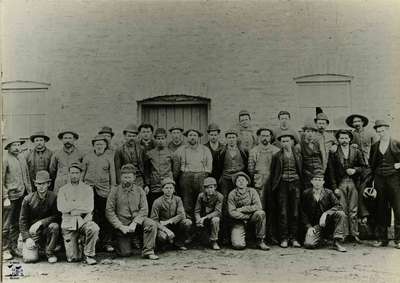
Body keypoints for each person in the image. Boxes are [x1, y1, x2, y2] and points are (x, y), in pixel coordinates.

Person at [106, 164, 159, 260]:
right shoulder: (114, 191)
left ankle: (148, 251)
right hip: (123, 225)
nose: (127, 180)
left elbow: (144, 210)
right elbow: (109, 211)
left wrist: (135, 223)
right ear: (121, 177)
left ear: (134, 178)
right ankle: (120, 242)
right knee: (125, 253)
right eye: (125, 177)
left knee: (151, 224)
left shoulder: (140, 191)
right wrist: (120, 226)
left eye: (129, 177)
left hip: (137, 223)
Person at [328, 129, 366, 243]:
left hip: (353, 182)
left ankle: (354, 234)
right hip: (341, 183)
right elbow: (331, 171)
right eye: (341, 138)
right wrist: (334, 187)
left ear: (350, 139)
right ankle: (343, 234)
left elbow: (364, 167)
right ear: (338, 140)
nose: (344, 140)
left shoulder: (356, 151)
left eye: (346, 138)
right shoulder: (334, 152)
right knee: (342, 209)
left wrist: (354, 170)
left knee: (353, 209)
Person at [57, 163, 99, 265]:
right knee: (73, 258)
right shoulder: (63, 190)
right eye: (72, 173)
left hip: (83, 221)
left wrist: (71, 208)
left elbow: (89, 207)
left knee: (94, 228)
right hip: (68, 224)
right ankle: (79, 243)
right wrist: (79, 206)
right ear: (69, 174)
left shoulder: (87, 189)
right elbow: (61, 207)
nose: (74, 175)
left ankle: (89, 254)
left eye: (76, 173)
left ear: (80, 174)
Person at [368, 120, 400, 249]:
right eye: (379, 131)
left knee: (398, 209)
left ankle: (398, 240)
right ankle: (382, 238)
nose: (381, 133)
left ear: (388, 130)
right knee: (381, 208)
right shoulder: (375, 146)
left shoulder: (396, 143)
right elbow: (372, 163)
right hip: (379, 180)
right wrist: (372, 180)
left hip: (394, 180)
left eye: (383, 130)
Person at [82, 134, 116, 252]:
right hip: (89, 191)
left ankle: (107, 242)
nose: (99, 146)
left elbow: (113, 175)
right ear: (93, 146)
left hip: (104, 191)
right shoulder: (87, 157)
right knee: (91, 216)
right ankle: (93, 242)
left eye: (102, 144)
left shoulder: (109, 157)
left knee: (106, 216)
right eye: (97, 144)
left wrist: (112, 189)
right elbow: (82, 174)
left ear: (106, 145)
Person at [270, 131, 304, 248]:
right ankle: (284, 238)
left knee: (295, 212)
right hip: (282, 185)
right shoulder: (276, 156)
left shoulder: (298, 154)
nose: (285, 143)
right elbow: (273, 173)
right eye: (283, 141)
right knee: (283, 212)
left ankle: (294, 238)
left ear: (292, 142)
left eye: (287, 141)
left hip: (295, 184)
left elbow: (302, 170)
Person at [19, 171, 60, 263]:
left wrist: (41, 222)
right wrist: (27, 238)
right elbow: (22, 221)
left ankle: (49, 252)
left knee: (55, 226)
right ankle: (26, 244)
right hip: (32, 232)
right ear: (35, 184)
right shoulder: (28, 199)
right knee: (30, 259)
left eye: (44, 184)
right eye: (39, 184)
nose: (41, 186)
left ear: (48, 184)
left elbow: (57, 216)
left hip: (46, 230)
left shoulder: (53, 197)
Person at [302, 170, 347, 252]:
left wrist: (326, 213)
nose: (317, 182)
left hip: (328, 223)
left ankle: (336, 242)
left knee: (341, 214)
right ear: (311, 181)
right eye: (315, 179)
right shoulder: (306, 193)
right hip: (315, 225)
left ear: (323, 182)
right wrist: (309, 227)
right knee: (309, 244)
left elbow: (339, 206)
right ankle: (321, 238)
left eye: (320, 180)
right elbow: (303, 212)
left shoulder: (328, 193)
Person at [248, 127, 280, 244]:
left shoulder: (276, 151)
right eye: (262, 136)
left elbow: (278, 168)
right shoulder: (254, 151)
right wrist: (256, 182)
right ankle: (259, 236)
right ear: (259, 137)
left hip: (272, 183)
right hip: (259, 183)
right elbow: (250, 169)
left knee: (272, 209)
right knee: (260, 209)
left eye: (267, 135)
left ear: (270, 137)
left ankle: (271, 235)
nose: (265, 138)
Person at [3, 138, 32, 260]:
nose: (16, 147)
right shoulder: (5, 160)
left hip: (22, 195)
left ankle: (13, 248)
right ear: (8, 147)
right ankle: (4, 250)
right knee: (6, 224)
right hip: (10, 197)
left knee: (17, 223)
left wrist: (30, 192)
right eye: (14, 145)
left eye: (18, 144)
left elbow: (26, 176)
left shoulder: (21, 158)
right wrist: (5, 197)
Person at [174, 129, 212, 220]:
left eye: (194, 135)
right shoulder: (181, 149)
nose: (192, 137)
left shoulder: (205, 149)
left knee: (202, 200)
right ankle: (188, 223)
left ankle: (201, 221)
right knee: (187, 201)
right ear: (187, 137)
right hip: (186, 177)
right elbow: (176, 163)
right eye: (190, 135)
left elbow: (209, 165)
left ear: (198, 137)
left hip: (201, 176)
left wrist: (204, 174)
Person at [227, 172, 269, 250]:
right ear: (236, 183)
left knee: (260, 213)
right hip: (238, 221)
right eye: (239, 180)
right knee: (238, 245)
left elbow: (258, 206)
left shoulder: (252, 191)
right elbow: (232, 212)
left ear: (247, 182)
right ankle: (242, 238)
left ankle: (260, 240)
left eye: (243, 180)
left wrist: (242, 209)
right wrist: (245, 217)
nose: (241, 182)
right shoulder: (232, 194)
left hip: (252, 218)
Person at [151, 178, 192, 250]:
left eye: (171, 188)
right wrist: (165, 229)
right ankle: (165, 245)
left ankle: (179, 243)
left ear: (173, 189)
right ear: (162, 189)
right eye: (166, 188)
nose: (169, 190)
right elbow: (154, 220)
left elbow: (182, 215)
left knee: (187, 222)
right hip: (163, 227)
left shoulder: (178, 199)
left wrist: (169, 221)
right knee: (162, 237)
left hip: (175, 225)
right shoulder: (157, 202)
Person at [144, 128, 177, 210]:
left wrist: (171, 179)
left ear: (166, 139)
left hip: (167, 184)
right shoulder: (150, 154)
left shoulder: (171, 153)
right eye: (158, 138)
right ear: (155, 139)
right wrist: (147, 184)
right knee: (154, 205)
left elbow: (175, 170)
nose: (160, 141)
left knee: (168, 206)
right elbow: (147, 170)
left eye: (162, 138)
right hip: (154, 184)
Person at [50, 130, 84, 194]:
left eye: (70, 138)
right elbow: (52, 170)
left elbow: (83, 170)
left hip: (75, 185)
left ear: (74, 139)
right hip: (60, 185)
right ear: (62, 140)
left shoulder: (80, 154)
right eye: (65, 138)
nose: (67, 140)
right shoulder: (56, 154)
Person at [194, 177, 223, 250]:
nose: (209, 190)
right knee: (204, 241)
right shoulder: (201, 196)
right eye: (207, 188)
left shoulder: (219, 196)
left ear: (215, 187)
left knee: (215, 220)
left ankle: (214, 241)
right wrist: (198, 219)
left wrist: (205, 218)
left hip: (215, 217)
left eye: (211, 187)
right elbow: (197, 211)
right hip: (204, 219)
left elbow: (217, 211)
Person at [299, 123, 323, 190]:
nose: (310, 134)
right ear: (304, 133)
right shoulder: (300, 146)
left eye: (312, 132)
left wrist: (320, 170)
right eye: (308, 131)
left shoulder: (317, 144)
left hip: (319, 172)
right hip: (307, 173)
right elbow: (299, 162)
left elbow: (321, 158)